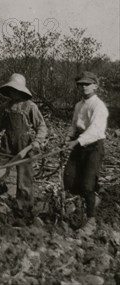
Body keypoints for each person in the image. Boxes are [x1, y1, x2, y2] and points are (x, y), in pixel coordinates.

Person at [0, 73, 48, 215]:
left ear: (21, 91)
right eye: (10, 90)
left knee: (24, 175)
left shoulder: (30, 107)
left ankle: (24, 206)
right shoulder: (6, 107)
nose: (12, 93)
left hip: (24, 144)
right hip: (7, 142)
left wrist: (37, 141)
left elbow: (41, 126)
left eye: (15, 90)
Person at [63, 71, 108, 235]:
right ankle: (87, 202)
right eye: (81, 84)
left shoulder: (98, 106)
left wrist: (76, 141)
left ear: (95, 86)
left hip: (93, 147)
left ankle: (91, 221)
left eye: (87, 84)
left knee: (88, 185)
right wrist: (68, 138)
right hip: (78, 144)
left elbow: (95, 131)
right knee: (68, 179)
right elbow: (74, 125)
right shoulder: (78, 105)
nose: (83, 87)